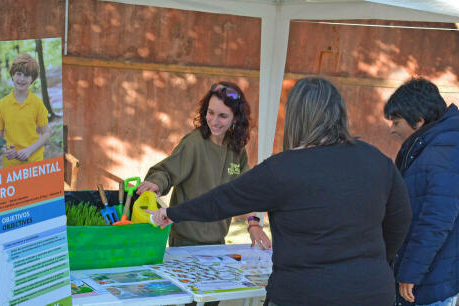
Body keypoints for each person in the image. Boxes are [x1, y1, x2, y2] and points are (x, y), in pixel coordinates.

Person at [149, 77, 412, 305]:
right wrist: (373, 261)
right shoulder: (377, 160)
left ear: (297, 117)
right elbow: (401, 220)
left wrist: (173, 213)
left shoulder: (283, 169)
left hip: (302, 294)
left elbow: (224, 200)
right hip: (371, 291)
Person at [137, 81, 271, 250]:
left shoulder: (237, 150)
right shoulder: (193, 143)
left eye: (222, 116)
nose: (214, 121)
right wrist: (156, 183)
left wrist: (253, 224)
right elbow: (166, 172)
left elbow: (246, 190)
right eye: (210, 112)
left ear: (236, 118)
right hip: (185, 243)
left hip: (218, 243)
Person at [384, 78, 459, 306]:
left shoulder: (445, 149)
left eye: (396, 122)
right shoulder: (429, 145)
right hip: (422, 279)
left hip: (427, 285)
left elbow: (436, 220)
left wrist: (410, 273)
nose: (392, 129)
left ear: (419, 120)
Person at [0, 53, 50, 168]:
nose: (21, 79)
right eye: (18, 74)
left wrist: (29, 150)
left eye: (26, 75)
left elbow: (46, 134)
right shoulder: (1, 104)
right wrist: (5, 150)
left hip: (34, 160)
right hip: (11, 164)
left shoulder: (38, 103)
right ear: (12, 75)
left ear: (32, 79)